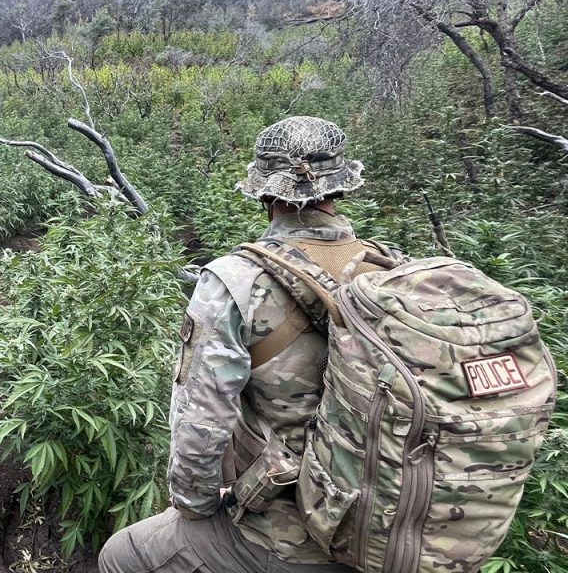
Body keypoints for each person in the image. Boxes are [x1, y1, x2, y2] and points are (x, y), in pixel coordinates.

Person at [98, 116, 388, 573]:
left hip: (288, 536)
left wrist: (194, 505)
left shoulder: (237, 279)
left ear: (264, 194)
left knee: (121, 556)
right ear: (340, 188)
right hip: (388, 526)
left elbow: (202, 419)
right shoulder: (393, 272)